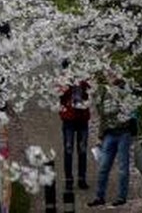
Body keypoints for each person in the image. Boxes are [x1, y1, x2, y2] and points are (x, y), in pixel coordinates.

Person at [89, 76, 137, 208]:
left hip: (123, 133)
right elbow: (102, 117)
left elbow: (132, 115)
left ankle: (121, 196)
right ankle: (100, 196)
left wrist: (133, 133)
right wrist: (100, 136)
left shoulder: (126, 95)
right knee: (103, 167)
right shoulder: (104, 95)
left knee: (122, 167)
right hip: (109, 133)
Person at [57, 60, 92, 190]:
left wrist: (81, 81)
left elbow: (90, 91)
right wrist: (68, 83)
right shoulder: (63, 79)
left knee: (82, 149)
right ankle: (68, 180)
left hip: (82, 117)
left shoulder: (85, 78)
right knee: (68, 148)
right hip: (69, 119)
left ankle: (82, 179)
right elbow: (60, 95)